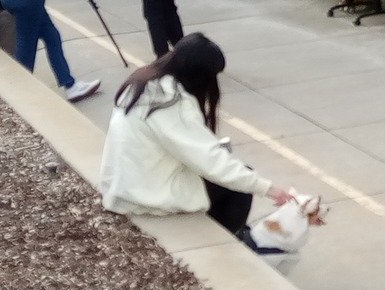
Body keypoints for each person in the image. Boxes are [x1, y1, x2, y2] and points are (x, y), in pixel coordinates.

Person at [98, 34, 310, 248]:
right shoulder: (171, 103)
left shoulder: (146, 81)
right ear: (199, 75)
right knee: (238, 188)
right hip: (145, 195)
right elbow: (212, 162)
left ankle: (226, 235)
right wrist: (271, 189)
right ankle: (223, 245)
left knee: (226, 177)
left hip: (127, 184)